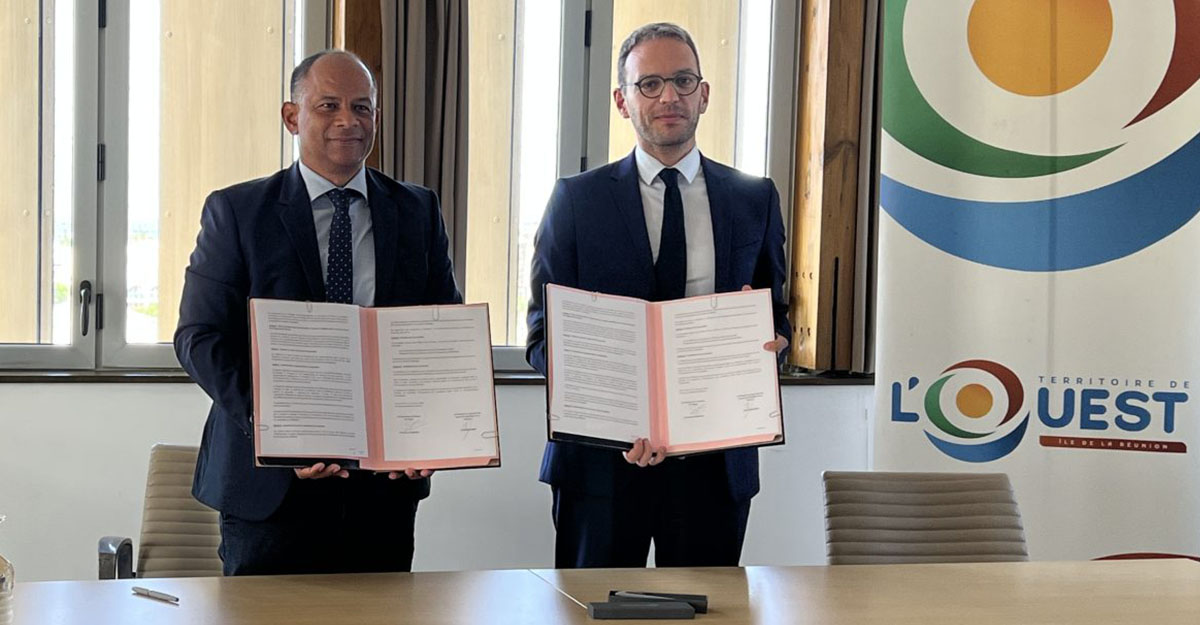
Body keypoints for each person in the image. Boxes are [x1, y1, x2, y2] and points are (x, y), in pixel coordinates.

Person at [175, 50, 461, 575]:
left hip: (382, 489)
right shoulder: (237, 211)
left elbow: (440, 335)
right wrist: (275, 429)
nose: (348, 121)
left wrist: (432, 435)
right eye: (328, 105)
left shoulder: (417, 210)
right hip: (269, 492)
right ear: (292, 117)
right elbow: (199, 337)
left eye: (362, 107)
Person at [525, 23, 791, 568]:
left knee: (707, 611)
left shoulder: (753, 199)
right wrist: (611, 412)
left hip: (714, 464)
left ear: (704, 94)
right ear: (623, 101)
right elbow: (542, 336)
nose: (668, 96)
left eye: (682, 80)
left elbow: (775, 315)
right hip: (599, 464)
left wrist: (773, 345)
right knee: (587, 610)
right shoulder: (576, 201)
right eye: (649, 84)